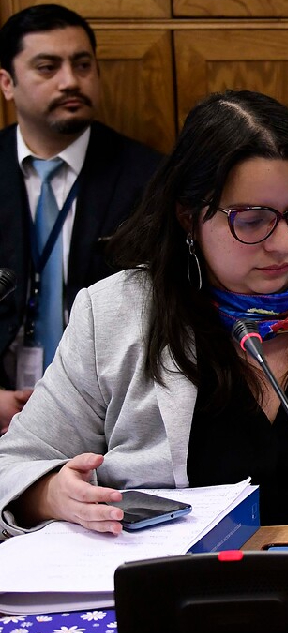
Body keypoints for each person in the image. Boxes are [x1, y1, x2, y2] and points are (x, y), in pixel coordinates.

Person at [0, 90, 288, 537]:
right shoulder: (113, 314)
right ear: (189, 216)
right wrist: (52, 494)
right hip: (179, 591)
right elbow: (14, 464)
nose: (285, 244)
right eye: (252, 220)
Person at [0, 4, 162, 433]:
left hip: (104, 418)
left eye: (82, 64)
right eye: (47, 67)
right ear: (7, 83)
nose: (70, 80)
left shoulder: (148, 179)